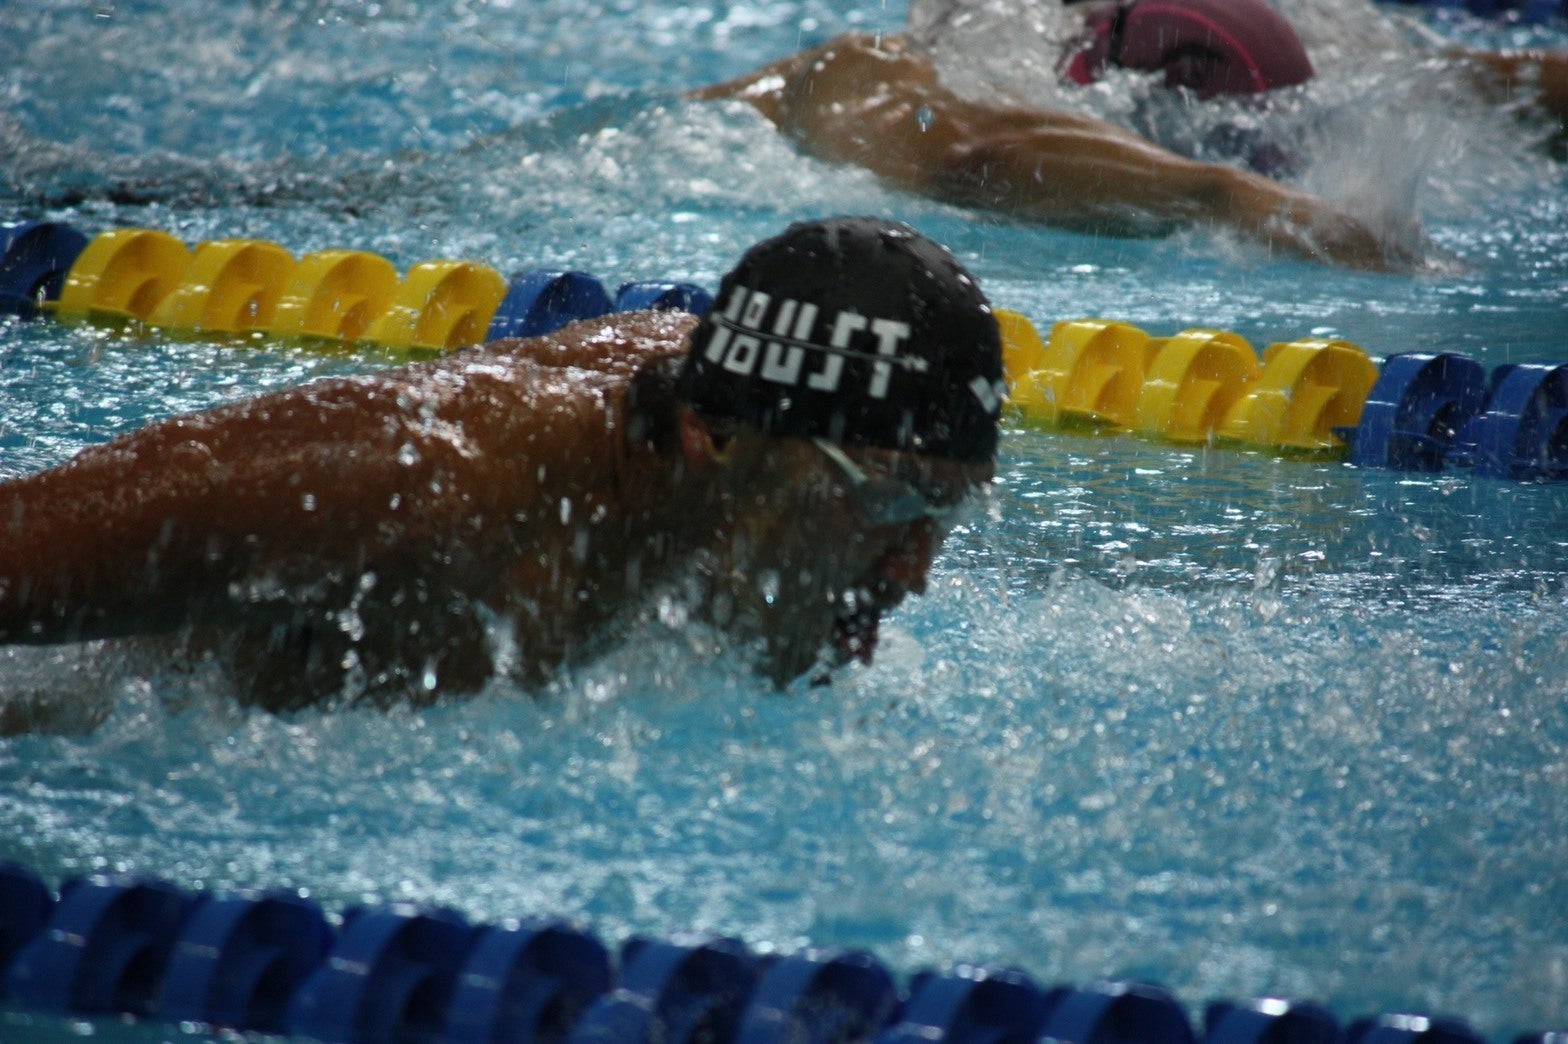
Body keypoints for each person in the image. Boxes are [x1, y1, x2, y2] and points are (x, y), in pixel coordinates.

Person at [0, 217, 1007, 728]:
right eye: (887, 496)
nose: (912, 570)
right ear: (714, 437)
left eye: (945, 510)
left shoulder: (730, 433)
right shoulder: (420, 484)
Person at [694, 0, 1568, 270]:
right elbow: (1497, 81)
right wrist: (1231, 196)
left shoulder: (863, 71)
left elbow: (967, 154)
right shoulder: (1341, 40)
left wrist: (1224, 198)